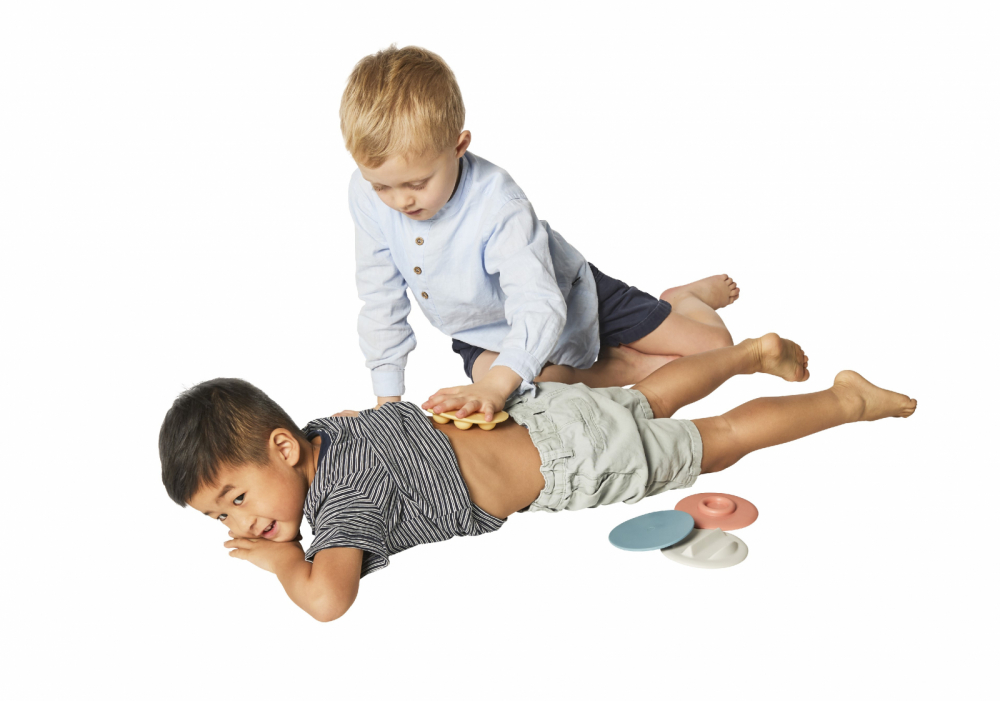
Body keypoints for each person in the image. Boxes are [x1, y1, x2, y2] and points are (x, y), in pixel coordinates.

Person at [159, 334, 916, 622]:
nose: (241, 525)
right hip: (536, 412)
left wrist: (284, 561)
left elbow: (328, 601)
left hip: (569, 466)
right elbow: (368, 415)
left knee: (715, 443)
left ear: (284, 450)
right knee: (650, 396)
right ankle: (748, 353)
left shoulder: (340, 508)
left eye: (237, 498)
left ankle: (846, 401)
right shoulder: (329, 430)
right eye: (219, 518)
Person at [342, 44, 740, 422]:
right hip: (483, 331)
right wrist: (387, 404)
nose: (400, 201)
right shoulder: (366, 193)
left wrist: (498, 383)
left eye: (417, 183)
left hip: (569, 295)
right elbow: (380, 296)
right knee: (520, 395)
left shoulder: (499, 204)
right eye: (381, 186)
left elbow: (538, 301)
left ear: (459, 146)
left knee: (717, 350)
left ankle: (683, 299)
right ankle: (628, 365)